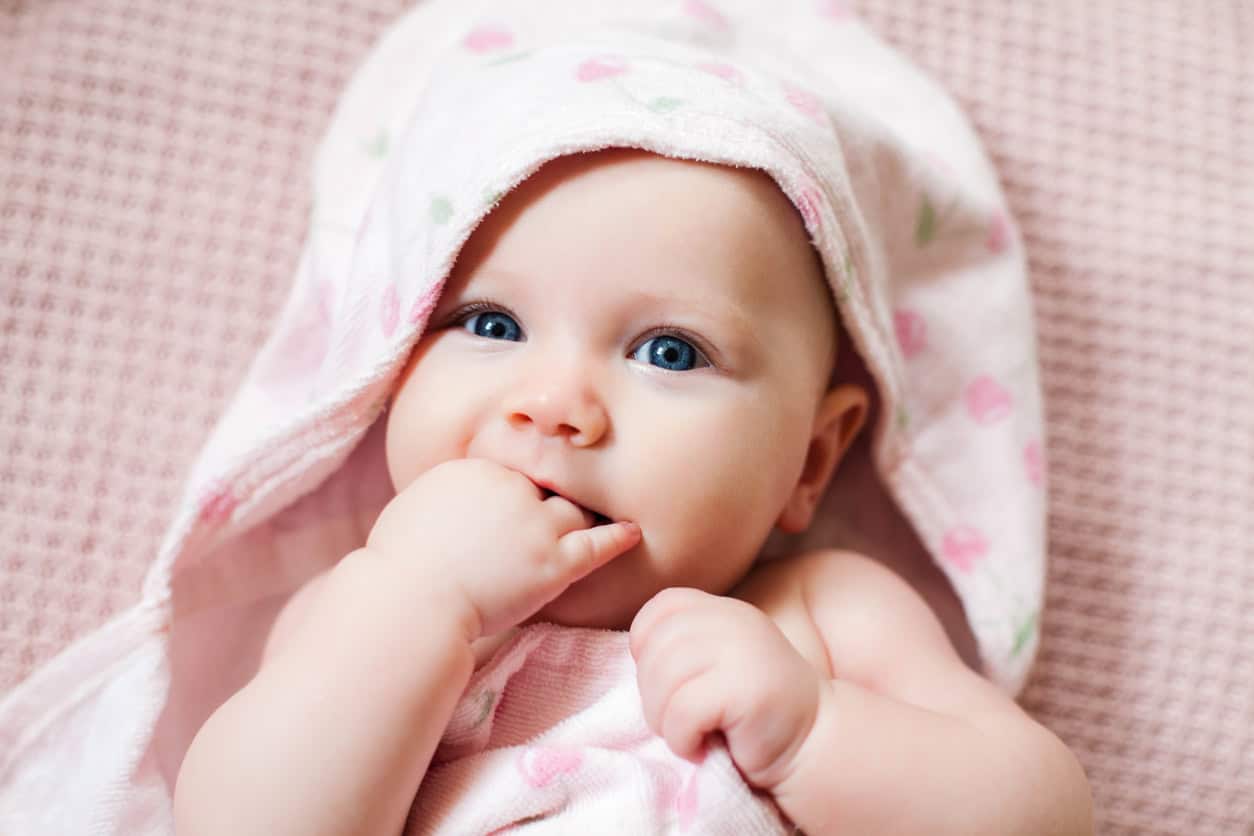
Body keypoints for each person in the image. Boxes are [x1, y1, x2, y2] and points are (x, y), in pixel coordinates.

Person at [173, 148, 1093, 834]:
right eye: (491, 324)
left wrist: (815, 734)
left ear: (809, 462)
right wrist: (418, 598)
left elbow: (1041, 815)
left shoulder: (821, 615)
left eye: (670, 351)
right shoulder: (363, 611)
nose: (555, 406)